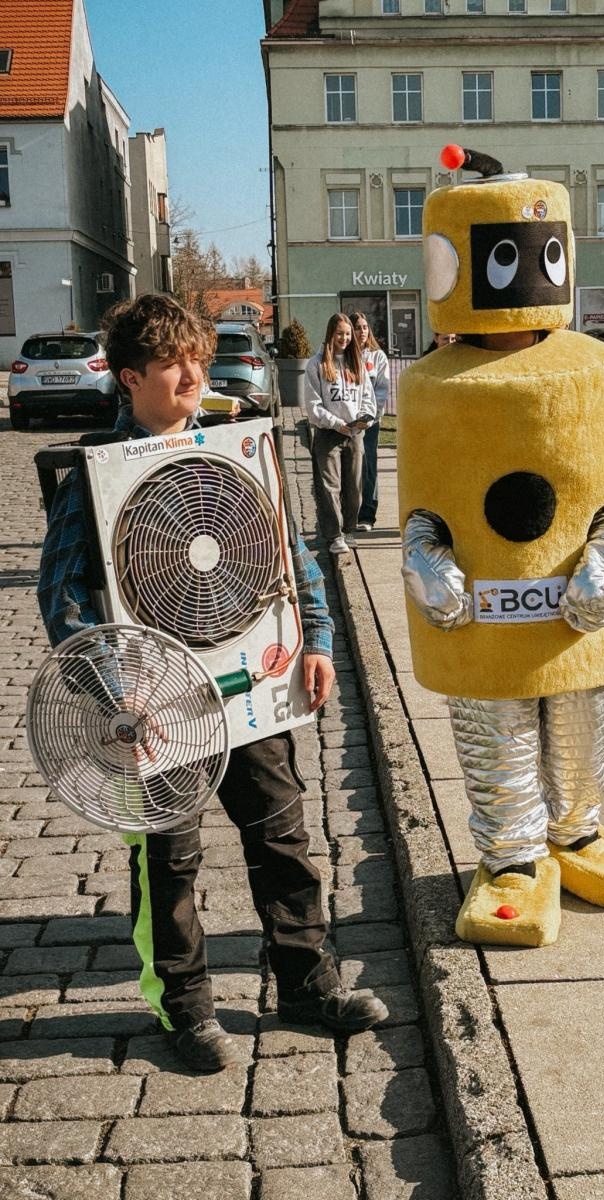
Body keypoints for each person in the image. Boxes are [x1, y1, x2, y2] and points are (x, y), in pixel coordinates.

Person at [36, 294, 387, 1072]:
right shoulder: (93, 476)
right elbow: (60, 599)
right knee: (169, 861)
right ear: (130, 377)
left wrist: (316, 640)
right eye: (173, 364)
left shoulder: (235, 454)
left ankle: (306, 983)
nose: (194, 374)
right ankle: (186, 1009)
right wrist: (114, 696)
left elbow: (289, 560)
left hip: (249, 687)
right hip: (154, 708)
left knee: (283, 835)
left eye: (198, 359)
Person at [398, 151, 604, 949]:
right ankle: (512, 856)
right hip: (481, 607)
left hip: (577, 605)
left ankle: (578, 834)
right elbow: (423, 500)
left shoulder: (596, 371)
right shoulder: (430, 385)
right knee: (495, 726)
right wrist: (425, 559)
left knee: (581, 717)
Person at [304, 313, 377, 555]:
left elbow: (368, 397)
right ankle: (334, 534)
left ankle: (349, 529)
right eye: (339, 333)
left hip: (355, 433)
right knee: (329, 487)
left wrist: (366, 417)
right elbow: (313, 406)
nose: (344, 338)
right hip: (329, 434)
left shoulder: (356, 363)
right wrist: (336, 423)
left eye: (347, 333)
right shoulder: (317, 365)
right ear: (330, 335)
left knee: (354, 486)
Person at [348, 311, 389, 530]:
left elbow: (382, 389)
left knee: (368, 467)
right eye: (357, 328)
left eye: (365, 327)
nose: (362, 331)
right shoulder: (343, 356)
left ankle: (367, 515)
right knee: (349, 468)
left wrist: (371, 417)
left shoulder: (377, 356)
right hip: (347, 422)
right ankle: (350, 513)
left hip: (369, 423)